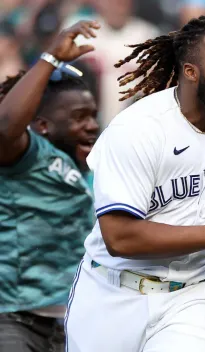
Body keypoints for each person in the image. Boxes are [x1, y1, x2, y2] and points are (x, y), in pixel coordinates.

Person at [65, 16, 205, 352]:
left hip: (194, 297)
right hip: (112, 293)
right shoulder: (138, 129)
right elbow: (119, 237)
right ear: (191, 72)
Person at [0, 21, 100, 352]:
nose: (92, 126)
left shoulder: (94, 168)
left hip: (75, 326)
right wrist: (51, 58)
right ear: (42, 125)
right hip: (15, 322)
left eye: (94, 116)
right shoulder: (26, 155)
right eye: (80, 117)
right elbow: (4, 129)